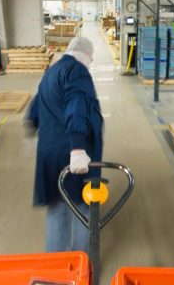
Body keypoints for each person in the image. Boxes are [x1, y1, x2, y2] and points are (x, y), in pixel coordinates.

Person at [26, 36, 103, 253]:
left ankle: (56, 264)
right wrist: (78, 148)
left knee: (57, 206)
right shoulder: (77, 71)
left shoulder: (51, 71)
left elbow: (35, 107)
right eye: (92, 58)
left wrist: (31, 128)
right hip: (70, 153)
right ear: (86, 55)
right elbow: (77, 105)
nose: (91, 62)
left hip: (49, 153)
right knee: (82, 206)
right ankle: (81, 261)